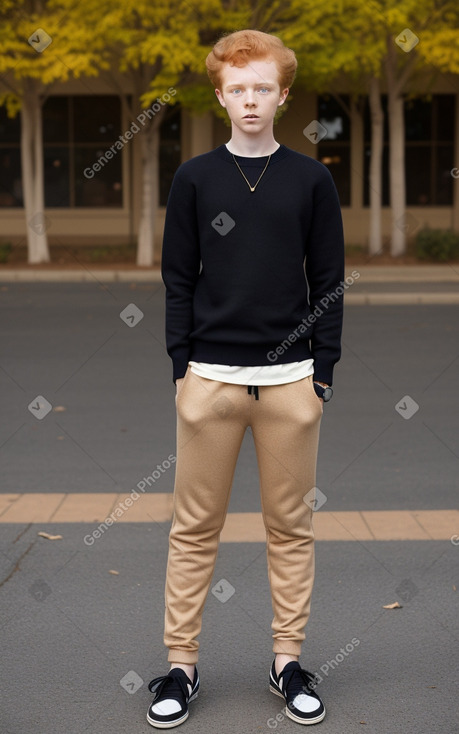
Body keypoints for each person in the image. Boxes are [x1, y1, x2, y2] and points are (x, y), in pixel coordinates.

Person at [147, 28, 344, 729]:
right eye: (238, 88)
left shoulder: (310, 178)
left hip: (291, 384)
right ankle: (180, 666)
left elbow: (327, 279)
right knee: (193, 529)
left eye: (263, 87)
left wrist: (322, 373)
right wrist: (180, 368)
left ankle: (286, 661)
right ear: (220, 95)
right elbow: (177, 278)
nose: (251, 99)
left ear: (283, 94)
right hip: (210, 381)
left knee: (290, 529)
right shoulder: (196, 178)